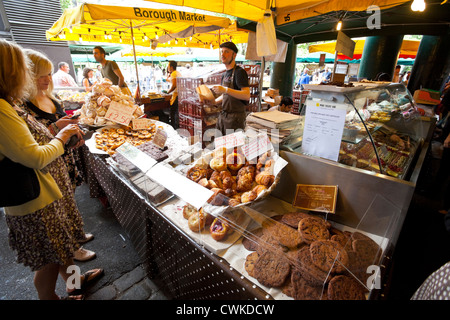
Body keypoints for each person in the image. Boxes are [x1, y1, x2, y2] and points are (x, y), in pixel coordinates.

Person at [0, 39, 103, 300]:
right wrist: (62, 134)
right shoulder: (2, 109)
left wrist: (56, 129)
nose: (33, 77)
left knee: (60, 246)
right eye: (26, 69)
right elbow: (34, 156)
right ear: (12, 71)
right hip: (32, 198)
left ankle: (74, 281)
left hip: (44, 190)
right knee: (48, 258)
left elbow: (31, 140)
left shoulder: (9, 103)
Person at [22, 49, 95, 262]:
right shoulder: (22, 106)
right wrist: (58, 128)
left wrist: (75, 134)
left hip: (64, 160)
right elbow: (34, 142)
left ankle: (77, 237)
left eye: (48, 73)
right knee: (59, 213)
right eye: (40, 74)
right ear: (27, 74)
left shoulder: (51, 97)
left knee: (70, 202)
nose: (47, 79)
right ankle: (72, 254)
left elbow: (64, 126)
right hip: (47, 166)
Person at [211, 41, 250, 135]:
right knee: (221, 145)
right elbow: (226, 95)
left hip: (235, 118)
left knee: (232, 148)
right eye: (222, 52)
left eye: (226, 52)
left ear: (234, 55)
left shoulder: (239, 72)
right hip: (224, 116)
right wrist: (214, 102)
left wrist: (225, 89)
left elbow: (246, 95)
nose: (223, 54)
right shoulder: (224, 74)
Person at [166, 60, 181, 129]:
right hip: (180, 94)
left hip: (176, 95)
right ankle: (176, 127)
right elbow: (172, 81)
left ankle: (173, 128)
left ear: (171, 67)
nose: (167, 67)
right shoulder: (177, 73)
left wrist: (168, 92)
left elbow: (174, 85)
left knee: (173, 112)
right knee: (176, 112)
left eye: (168, 66)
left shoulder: (174, 73)